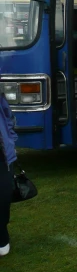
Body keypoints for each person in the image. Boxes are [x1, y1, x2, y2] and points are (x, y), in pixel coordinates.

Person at [0, 84, 18, 257]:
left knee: (4, 196)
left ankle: (2, 235)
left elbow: (8, 117)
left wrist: (11, 140)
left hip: (3, 155)